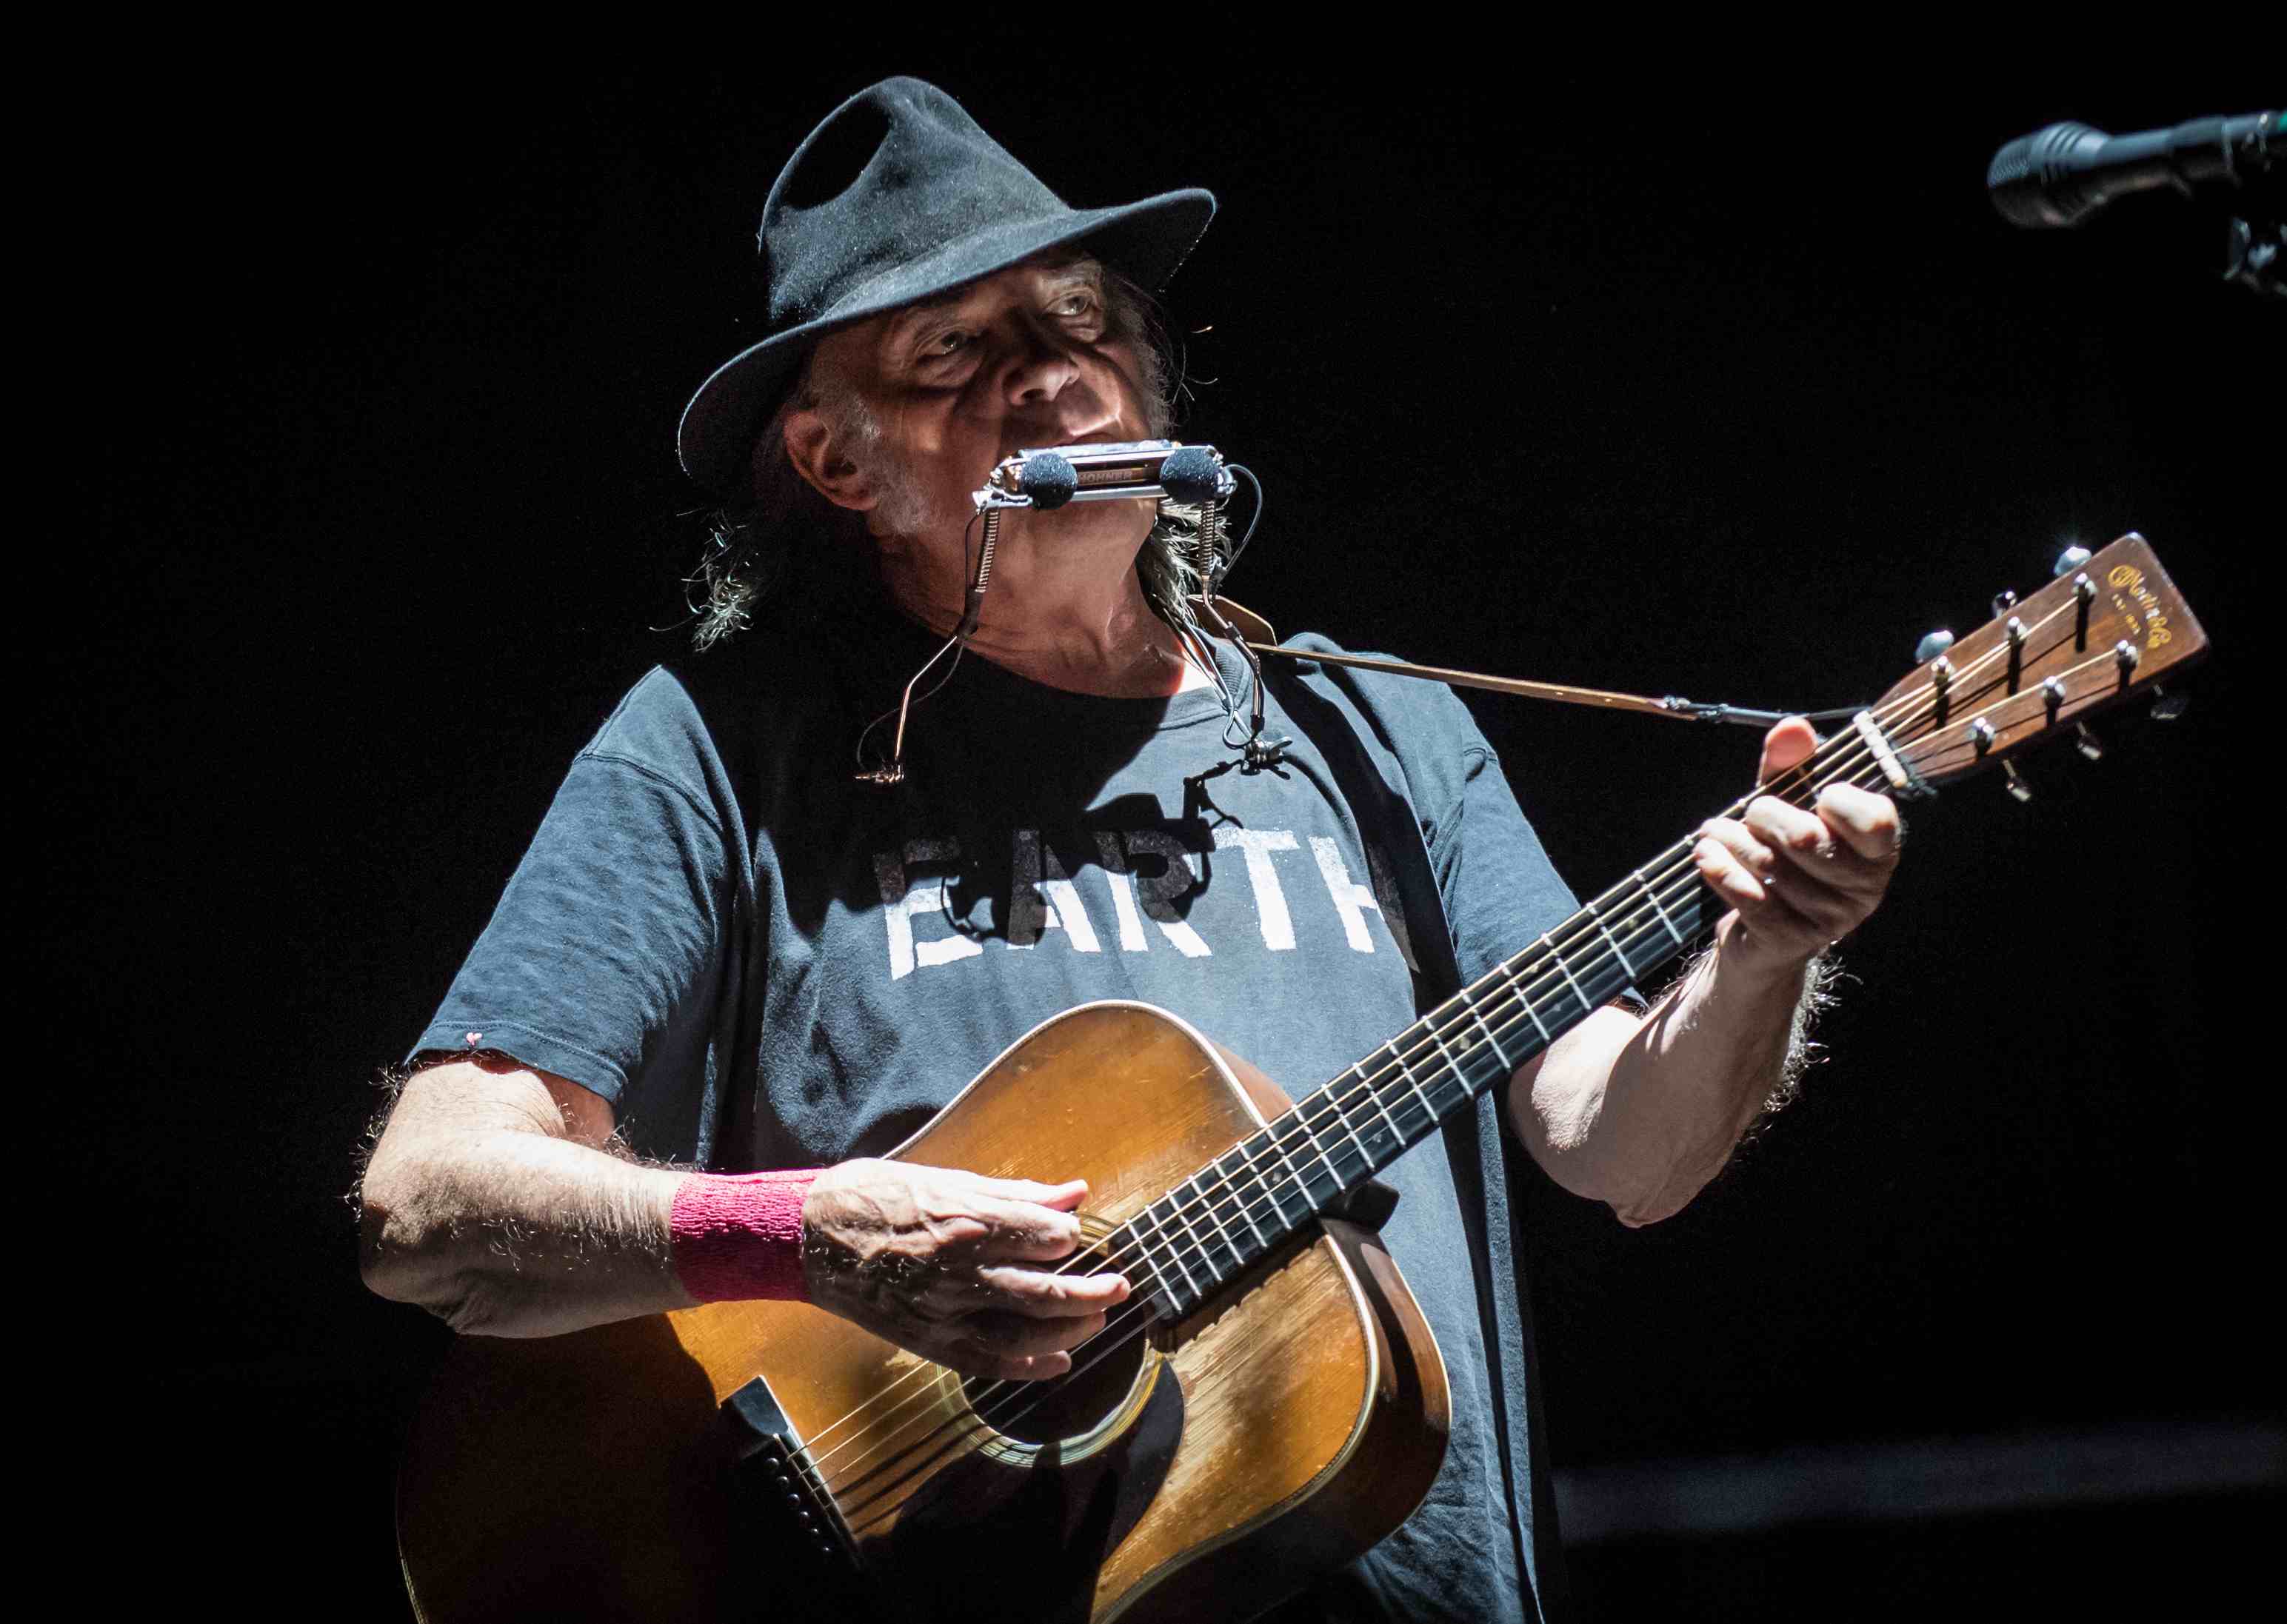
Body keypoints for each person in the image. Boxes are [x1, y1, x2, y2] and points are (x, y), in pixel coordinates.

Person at [358, 78, 1901, 1623]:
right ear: (835, 462)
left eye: (1081, 314)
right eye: (953, 348)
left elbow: (1625, 1150)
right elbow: (429, 1201)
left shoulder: (1372, 730)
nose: (1051, 372)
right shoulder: (719, 747)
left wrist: (1763, 951)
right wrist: (810, 1239)